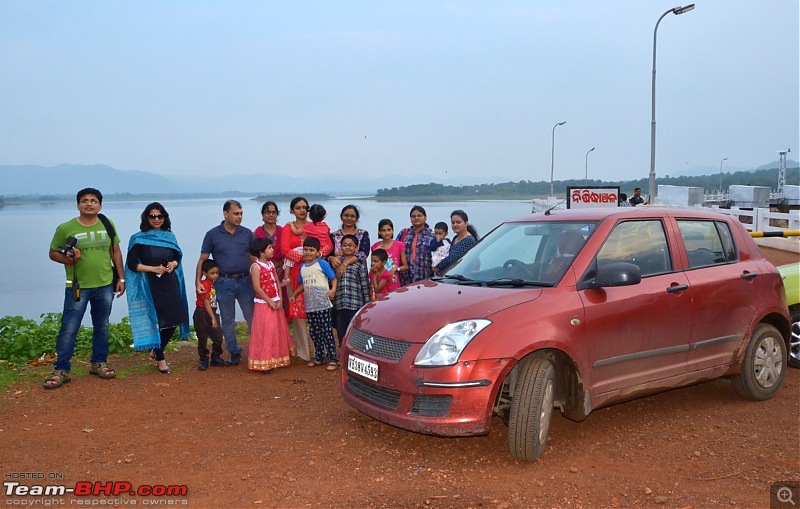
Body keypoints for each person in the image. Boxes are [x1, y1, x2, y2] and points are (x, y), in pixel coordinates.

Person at [44, 188, 126, 389]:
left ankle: (99, 363)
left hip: (105, 284)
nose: (89, 204)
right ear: (78, 205)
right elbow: (53, 253)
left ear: (100, 205)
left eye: (93, 201)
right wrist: (69, 259)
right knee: (69, 328)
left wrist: (121, 278)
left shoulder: (108, 223)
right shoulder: (66, 228)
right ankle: (61, 369)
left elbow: (115, 250)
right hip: (77, 286)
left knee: (102, 325)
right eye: (84, 201)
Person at [124, 203, 190, 374]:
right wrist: (153, 269)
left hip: (170, 282)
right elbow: (132, 265)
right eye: (152, 216)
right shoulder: (138, 239)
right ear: (146, 218)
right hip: (150, 286)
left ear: (165, 218)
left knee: (176, 318)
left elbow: (177, 257)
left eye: (160, 216)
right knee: (158, 321)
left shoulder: (169, 237)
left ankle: (156, 349)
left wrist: (173, 264)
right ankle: (161, 359)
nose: (156, 219)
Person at [195, 200, 254, 367]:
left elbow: (253, 257)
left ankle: (257, 352)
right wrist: (198, 282)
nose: (240, 217)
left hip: (245, 281)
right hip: (223, 282)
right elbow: (202, 260)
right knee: (228, 320)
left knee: (252, 319)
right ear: (225, 214)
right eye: (236, 213)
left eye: (241, 213)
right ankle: (234, 352)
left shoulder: (247, 233)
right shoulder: (212, 234)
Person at [290, 237, 339, 371]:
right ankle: (319, 357)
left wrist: (333, 290)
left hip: (323, 304)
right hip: (310, 306)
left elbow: (333, 278)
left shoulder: (322, 264)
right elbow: (302, 284)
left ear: (318, 252)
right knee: (314, 332)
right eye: (306, 250)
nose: (308, 253)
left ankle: (333, 358)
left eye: (311, 250)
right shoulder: (302, 267)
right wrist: (294, 294)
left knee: (327, 332)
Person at [248, 237, 294, 373]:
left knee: (276, 330)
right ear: (261, 252)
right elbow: (257, 288)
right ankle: (263, 360)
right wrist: (270, 301)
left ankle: (277, 357)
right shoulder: (255, 267)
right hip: (264, 304)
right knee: (266, 331)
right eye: (269, 248)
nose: (272, 250)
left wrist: (279, 298)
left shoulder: (271, 265)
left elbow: (276, 282)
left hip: (275, 301)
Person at [281, 197, 314, 362]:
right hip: (294, 273)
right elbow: (284, 249)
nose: (302, 210)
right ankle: (303, 352)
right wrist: (303, 258)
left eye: (304, 207)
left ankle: (318, 351)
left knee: (315, 311)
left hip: (315, 273)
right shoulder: (288, 228)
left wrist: (314, 256)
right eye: (298, 207)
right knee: (298, 314)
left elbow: (325, 245)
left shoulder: (314, 226)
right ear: (292, 210)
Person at [332, 234, 370, 344]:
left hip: (355, 304)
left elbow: (364, 283)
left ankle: (354, 355)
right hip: (339, 304)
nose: (347, 247)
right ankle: (342, 357)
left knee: (355, 332)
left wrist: (367, 304)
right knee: (341, 332)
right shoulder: (336, 263)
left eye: (350, 245)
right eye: (344, 245)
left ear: (356, 248)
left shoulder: (360, 263)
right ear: (340, 247)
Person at [195, 259, 226, 370]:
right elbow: (206, 301)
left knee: (218, 337)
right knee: (202, 337)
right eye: (212, 273)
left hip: (212, 312)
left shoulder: (213, 284)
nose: (215, 276)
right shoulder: (203, 285)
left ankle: (215, 357)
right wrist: (213, 318)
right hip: (202, 313)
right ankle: (203, 359)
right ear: (204, 273)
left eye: (217, 273)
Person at [328, 205, 371, 279]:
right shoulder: (334, 236)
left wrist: (345, 263)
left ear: (356, 218)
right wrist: (330, 259)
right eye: (346, 215)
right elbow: (327, 254)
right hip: (337, 276)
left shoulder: (363, 234)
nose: (349, 218)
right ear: (341, 217)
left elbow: (363, 254)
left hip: (357, 275)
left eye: (352, 216)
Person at [396, 205, 435, 286]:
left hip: (425, 277)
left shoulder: (432, 235)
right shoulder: (404, 233)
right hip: (405, 277)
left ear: (425, 217)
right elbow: (395, 251)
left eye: (419, 216)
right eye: (413, 216)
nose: (416, 218)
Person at [371, 219, 407, 293]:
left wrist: (395, 269)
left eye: (389, 230)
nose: (386, 233)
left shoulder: (399, 245)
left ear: (393, 231)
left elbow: (405, 266)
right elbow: (373, 267)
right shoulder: (375, 246)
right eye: (383, 230)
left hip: (394, 282)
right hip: (379, 283)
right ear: (379, 232)